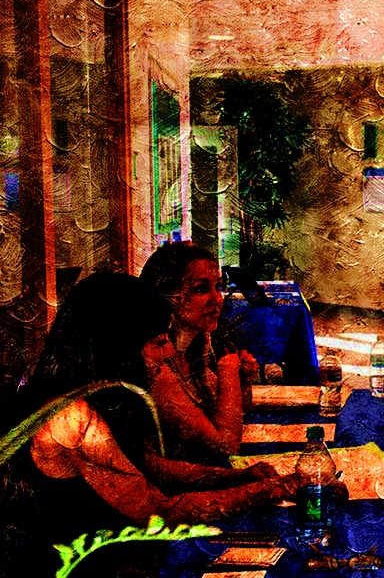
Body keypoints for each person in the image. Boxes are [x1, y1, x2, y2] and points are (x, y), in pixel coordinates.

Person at [0, 273, 303, 577]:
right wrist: (264, 491)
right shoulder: (73, 416)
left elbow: (148, 464)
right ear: (119, 347)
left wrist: (236, 477)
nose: (168, 353)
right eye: (158, 342)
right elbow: (156, 512)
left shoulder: (102, 395)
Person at [139, 242, 258, 466]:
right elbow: (226, 446)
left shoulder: (200, 344)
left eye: (218, 287)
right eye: (201, 289)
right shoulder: (155, 362)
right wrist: (229, 369)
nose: (217, 300)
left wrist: (242, 381)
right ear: (168, 296)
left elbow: (229, 417)